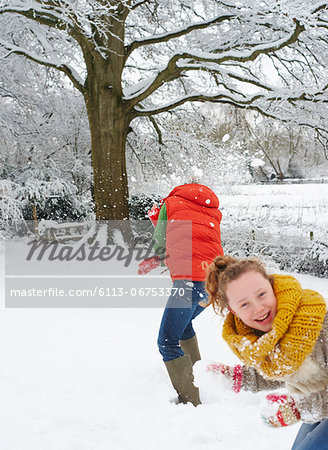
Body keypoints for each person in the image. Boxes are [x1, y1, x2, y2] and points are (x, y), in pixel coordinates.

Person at [204, 254, 328, 449]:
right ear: (234, 311)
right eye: (245, 304)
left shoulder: (316, 322)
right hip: (317, 399)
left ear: (273, 287)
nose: (259, 308)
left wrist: (297, 409)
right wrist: (239, 377)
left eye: (261, 294)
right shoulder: (264, 336)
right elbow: (284, 367)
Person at [138, 181, 224, 406]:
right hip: (215, 281)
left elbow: (160, 244)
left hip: (190, 283)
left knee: (167, 340)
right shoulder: (211, 209)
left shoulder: (170, 203)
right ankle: (199, 379)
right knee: (184, 326)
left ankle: (191, 401)